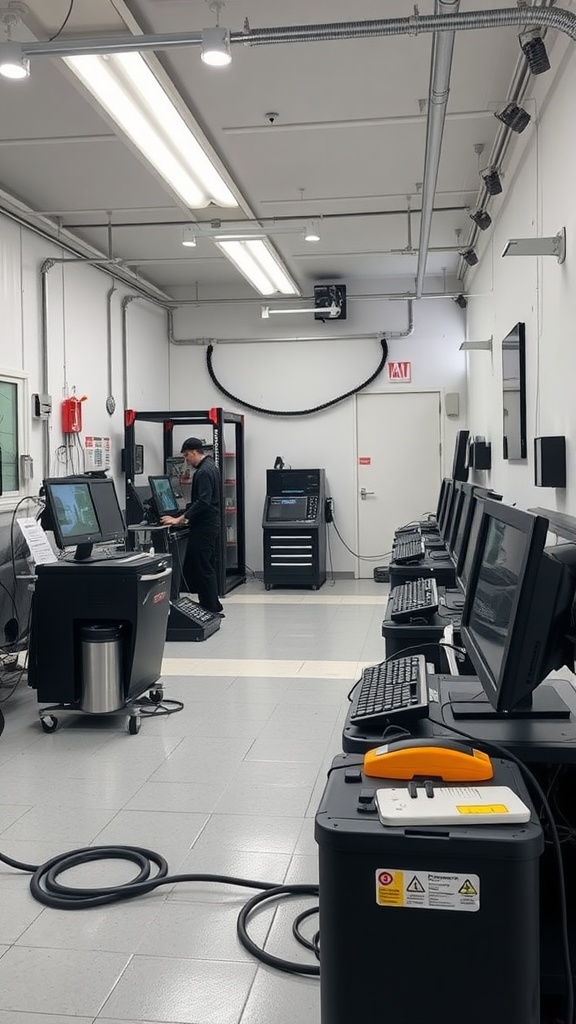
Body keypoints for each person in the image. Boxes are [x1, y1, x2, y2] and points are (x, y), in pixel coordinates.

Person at [160, 437, 224, 616]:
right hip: (211, 524)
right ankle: (212, 605)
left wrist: (180, 518)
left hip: (204, 526)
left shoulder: (203, 472)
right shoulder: (212, 467)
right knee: (206, 566)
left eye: (187, 456)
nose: (187, 460)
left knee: (202, 567)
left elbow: (203, 501)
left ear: (194, 452)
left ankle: (210, 608)